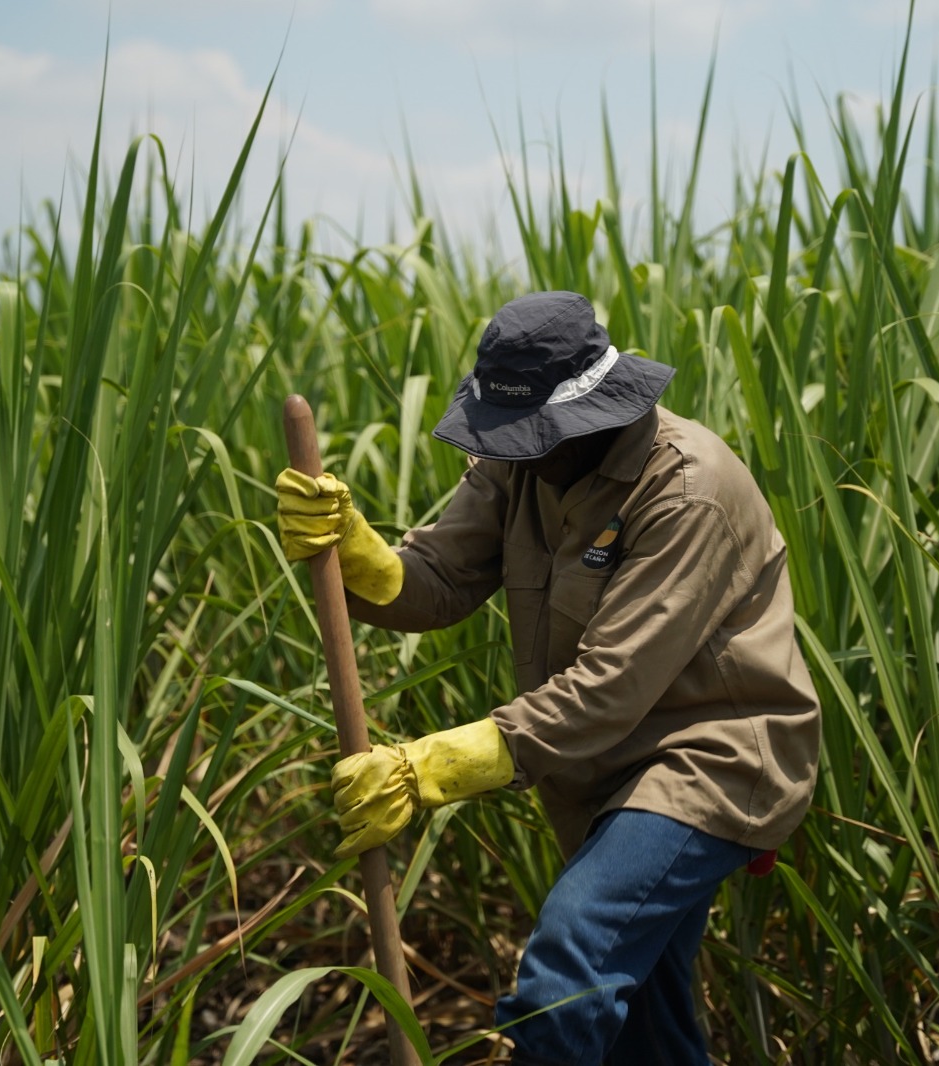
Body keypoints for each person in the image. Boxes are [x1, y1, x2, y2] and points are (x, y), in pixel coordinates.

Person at [276, 290, 820, 1065]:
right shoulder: (522, 465)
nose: (516, 452)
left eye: (534, 434)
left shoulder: (687, 489)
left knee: (565, 979)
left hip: (710, 760)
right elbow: (438, 578)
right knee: (645, 1033)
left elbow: (608, 689)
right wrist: (357, 554)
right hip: (600, 772)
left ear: (597, 408)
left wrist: (427, 767)